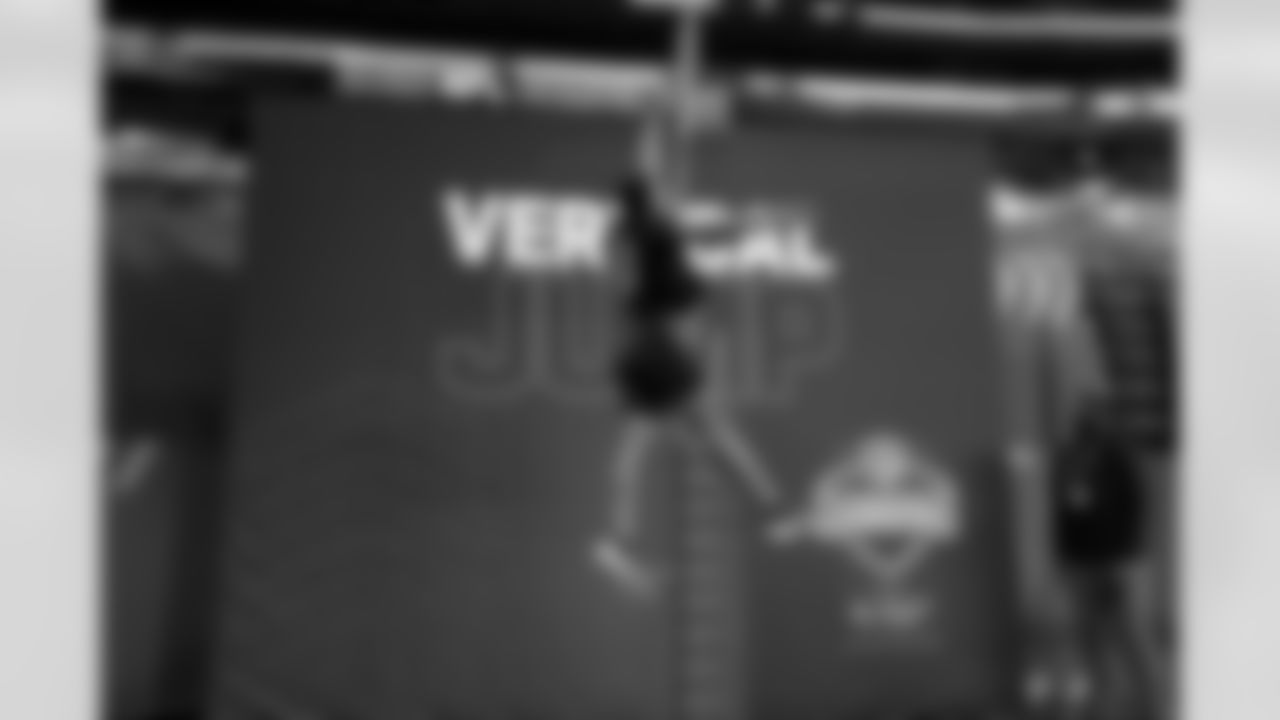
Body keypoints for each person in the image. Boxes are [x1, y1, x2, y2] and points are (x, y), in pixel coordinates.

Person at [590, 105, 779, 598]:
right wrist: (745, 225)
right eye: (656, 188)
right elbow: (704, 229)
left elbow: (644, 170)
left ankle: (618, 539)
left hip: (637, 354)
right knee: (715, 431)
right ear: (649, 199)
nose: (663, 188)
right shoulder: (656, 228)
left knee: (635, 453)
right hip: (661, 349)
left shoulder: (622, 233)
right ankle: (772, 510)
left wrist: (651, 124)